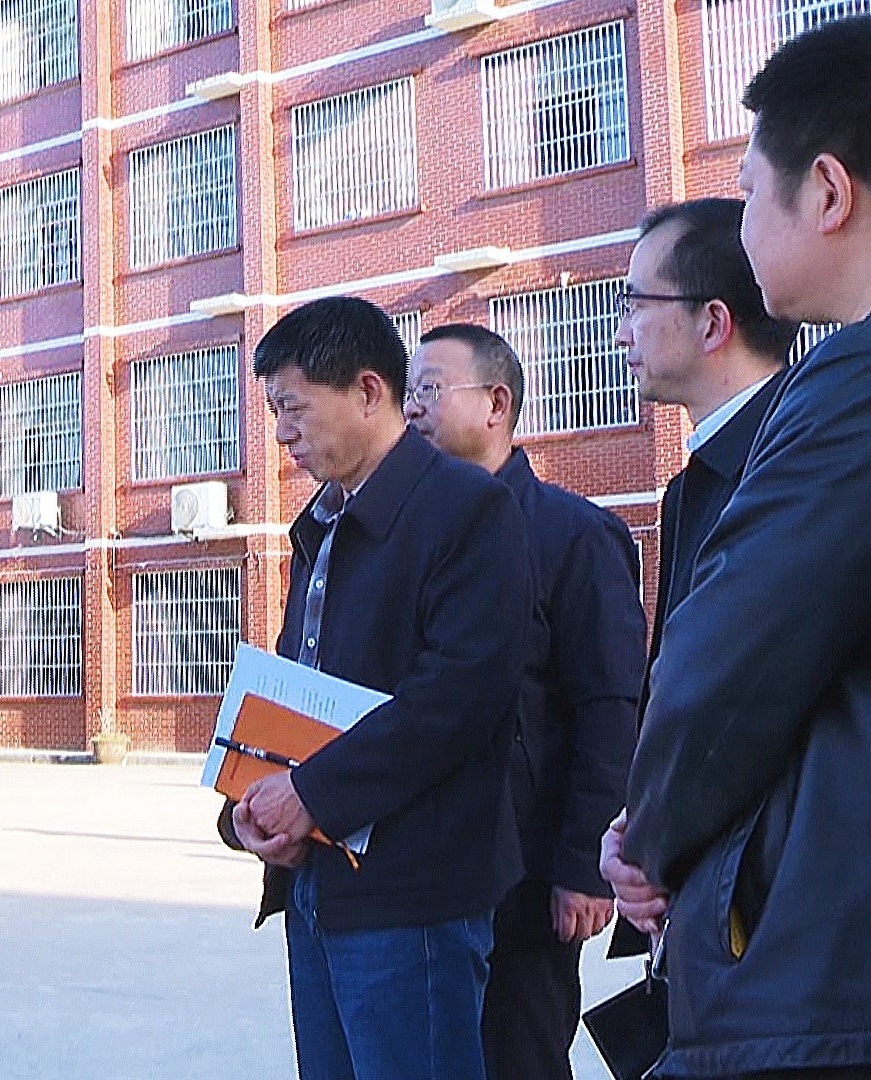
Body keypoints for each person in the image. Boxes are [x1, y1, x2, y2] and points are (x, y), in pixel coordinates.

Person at [609, 16, 871, 1078]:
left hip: (818, 975)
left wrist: (647, 839)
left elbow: (726, 669)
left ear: (827, 191)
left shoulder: (847, 390)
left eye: (752, 192)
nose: (744, 219)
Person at [220, 296, 531, 1080]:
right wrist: (252, 803)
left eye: (294, 408)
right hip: (316, 883)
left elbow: (457, 698)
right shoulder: (321, 523)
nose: (281, 433)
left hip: (412, 897)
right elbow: (298, 686)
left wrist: (312, 794)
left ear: (367, 391)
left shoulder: (467, 510)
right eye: (273, 411)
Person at [404, 324, 647, 1080]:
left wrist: (582, 866)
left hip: (528, 873)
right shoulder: (415, 535)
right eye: (408, 391)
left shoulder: (575, 535)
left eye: (430, 389)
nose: (411, 408)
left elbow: (610, 706)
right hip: (424, 863)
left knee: (518, 1055)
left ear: (496, 404)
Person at [599, 199, 798, 963]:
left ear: (713, 323)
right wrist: (638, 827)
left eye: (634, 305)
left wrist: (661, 831)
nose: (620, 333)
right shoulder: (699, 480)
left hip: (777, 911)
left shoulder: (795, 467)